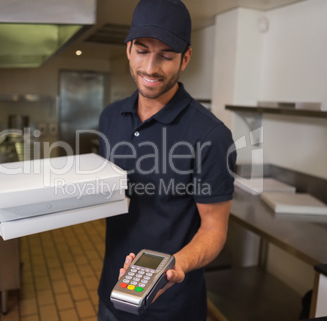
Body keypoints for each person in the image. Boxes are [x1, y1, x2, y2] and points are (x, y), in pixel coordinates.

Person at [97, 0, 236, 320]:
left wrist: (176, 266)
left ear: (185, 58)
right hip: (111, 294)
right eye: (142, 51)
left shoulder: (211, 136)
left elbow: (215, 229)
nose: (150, 67)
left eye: (166, 56)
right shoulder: (110, 117)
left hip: (171, 305)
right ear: (128, 48)